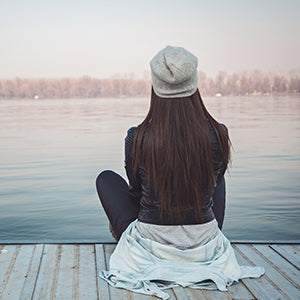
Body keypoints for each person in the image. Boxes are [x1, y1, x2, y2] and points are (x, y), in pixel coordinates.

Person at [96, 46, 264, 299]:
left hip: (152, 244)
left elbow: (136, 191)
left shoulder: (137, 137)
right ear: (194, 83)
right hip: (204, 243)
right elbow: (215, 183)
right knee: (213, 180)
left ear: (155, 85)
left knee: (106, 179)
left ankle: (128, 238)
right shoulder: (219, 133)